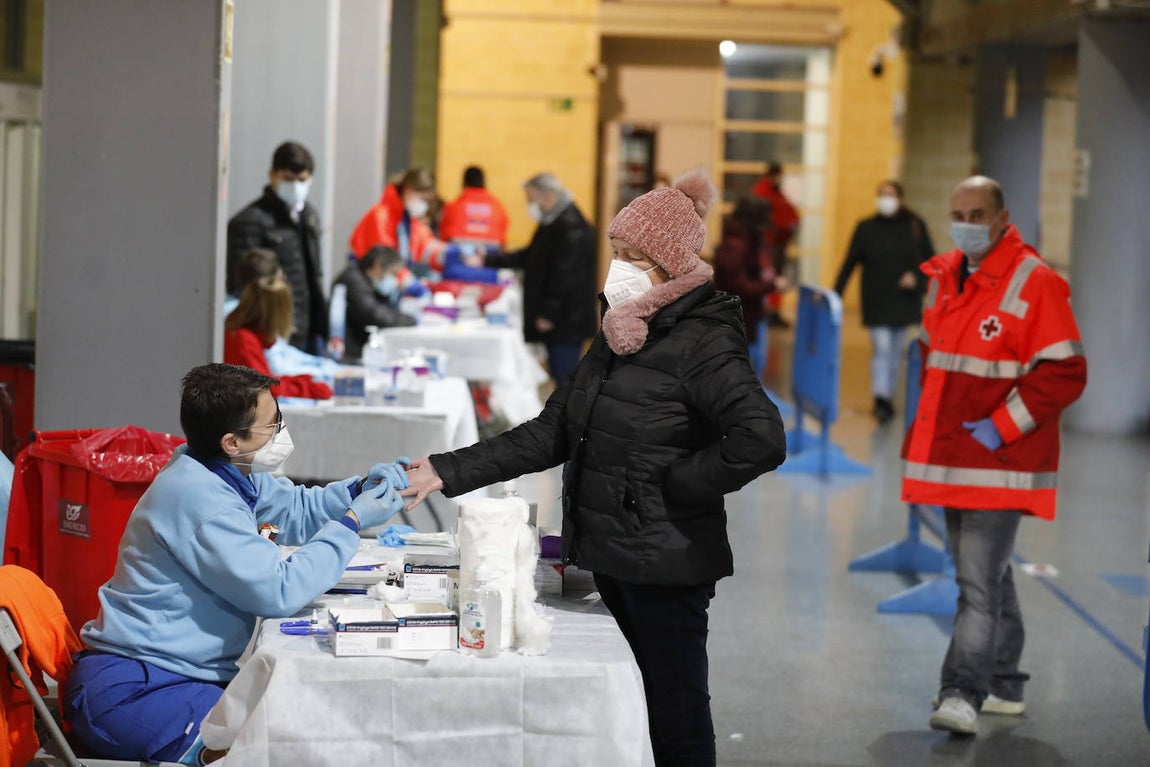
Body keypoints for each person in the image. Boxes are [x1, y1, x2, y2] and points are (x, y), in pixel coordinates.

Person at [403, 170, 787, 766]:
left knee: (676, 716)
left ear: (670, 266)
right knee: (627, 708)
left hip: (665, 563)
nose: (619, 268)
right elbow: (552, 430)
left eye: (635, 256)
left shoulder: (703, 341)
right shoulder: (620, 331)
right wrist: (446, 469)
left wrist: (679, 485)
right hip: (613, 552)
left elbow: (761, 436)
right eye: (617, 253)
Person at [63, 363, 410, 762]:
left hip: (180, 675)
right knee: (276, 745)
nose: (280, 430)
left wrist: (357, 490)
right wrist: (351, 524)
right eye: (272, 424)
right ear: (231, 441)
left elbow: (294, 508)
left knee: (305, 721)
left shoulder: (224, 467)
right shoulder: (197, 496)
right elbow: (278, 591)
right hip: (133, 692)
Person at [905, 176, 1087, 736]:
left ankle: (962, 693)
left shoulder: (1035, 283)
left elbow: (1066, 370)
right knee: (985, 574)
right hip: (953, 455)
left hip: (998, 461)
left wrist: (1002, 425)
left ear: (1003, 218)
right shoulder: (946, 278)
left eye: (978, 214)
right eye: (958, 212)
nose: (966, 223)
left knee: (975, 585)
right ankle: (1006, 682)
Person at [476, 172, 597, 385]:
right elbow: (532, 256)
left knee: (565, 375)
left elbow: (565, 275)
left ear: (548, 197)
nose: (529, 205)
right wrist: (490, 259)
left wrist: (548, 313)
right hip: (560, 318)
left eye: (531, 199)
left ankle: (570, 418)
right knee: (558, 373)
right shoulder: (552, 222)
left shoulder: (570, 226)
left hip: (565, 320)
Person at [833, 180, 935, 424]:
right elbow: (850, 262)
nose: (885, 199)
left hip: (904, 301)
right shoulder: (866, 228)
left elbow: (931, 261)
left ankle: (887, 394)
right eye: (881, 195)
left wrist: (916, 277)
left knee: (896, 349)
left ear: (900, 198)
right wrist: (835, 294)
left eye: (890, 195)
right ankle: (880, 397)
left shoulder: (915, 225)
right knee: (882, 347)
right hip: (876, 299)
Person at [227, 142, 328, 355]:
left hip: (307, 326)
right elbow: (243, 285)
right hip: (271, 332)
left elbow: (313, 274)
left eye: (301, 180)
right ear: (273, 175)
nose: (295, 186)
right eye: (288, 179)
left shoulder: (309, 216)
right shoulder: (249, 221)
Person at [224, 269, 334, 400]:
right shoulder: (243, 340)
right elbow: (263, 388)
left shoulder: (241, 334)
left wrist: (303, 381)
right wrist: (311, 389)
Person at [712, 196, 789, 378]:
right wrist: (771, 285)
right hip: (737, 319)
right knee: (742, 370)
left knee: (750, 366)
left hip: (747, 317)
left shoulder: (748, 241)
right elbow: (740, 286)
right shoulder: (736, 245)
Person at [333, 245, 417, 361]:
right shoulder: (353, 280)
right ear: (377, 266)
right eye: (392, 274)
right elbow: (374, 314)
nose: (393, 279)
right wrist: (410, 320)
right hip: (349, 352)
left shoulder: (365, 279)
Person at [751, 161, 800, 327]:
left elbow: (789, 212)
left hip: (778, 242)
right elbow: (773, 218)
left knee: (777, 278)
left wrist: (793, 223)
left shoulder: (776, 192)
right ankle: (768, 311)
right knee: (770, 277)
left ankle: (774, 310)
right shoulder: (763, 192)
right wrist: (786, 226)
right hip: (770, 243)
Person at [439, 165, 509, 251]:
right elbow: (502, 238)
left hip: (458, 256)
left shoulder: (453, 207)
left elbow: (443, 236)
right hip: (491, 256)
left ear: (464, 183)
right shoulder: (498, 208)